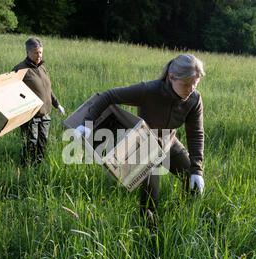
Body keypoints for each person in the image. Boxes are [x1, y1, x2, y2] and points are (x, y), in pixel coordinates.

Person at [76, 54, 205, 226]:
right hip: (145, 146)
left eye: (195, 84)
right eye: (186, 84)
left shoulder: (194, 100)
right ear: (171, 77)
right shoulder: (148, 91)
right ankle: (149, 232)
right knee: (150, 200)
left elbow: (195, 133)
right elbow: (108, 96)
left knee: (193, 183)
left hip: (169, 143)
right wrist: (87, 123)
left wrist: (197, 169)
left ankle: (178, 218)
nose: (190, 89)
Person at [12, 37, 66, 166]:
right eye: (36, 53)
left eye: (41, 52)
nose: (39, 55)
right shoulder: (20, 69)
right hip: (30, 115)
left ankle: (38, 167)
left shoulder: (42, 68)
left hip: (45, 114)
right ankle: (25, 169)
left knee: (42, 143)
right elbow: (12, 92)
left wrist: (57, 104)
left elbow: (48, 90)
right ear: (28, 52)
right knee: (30, 143)